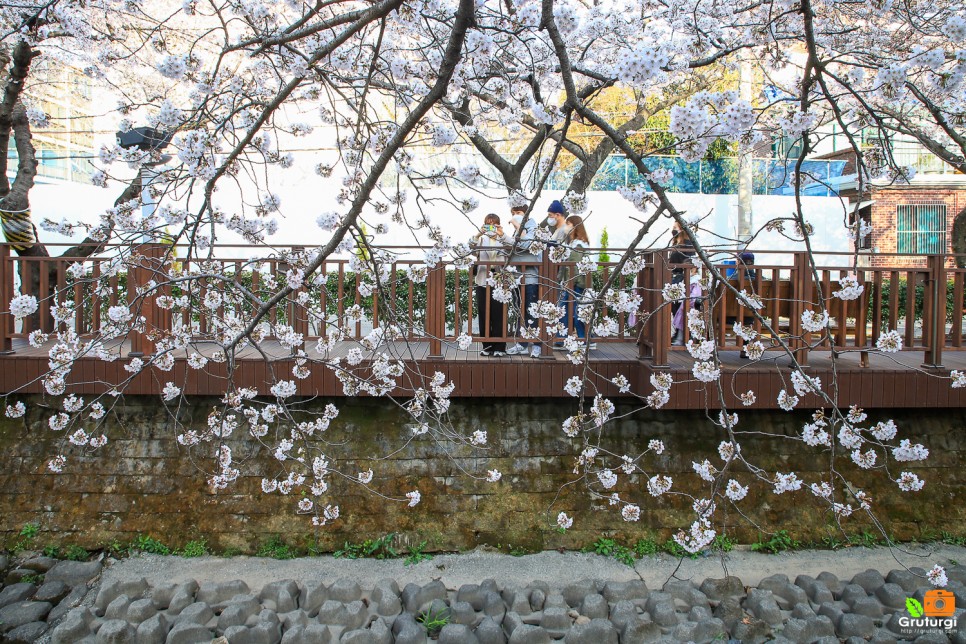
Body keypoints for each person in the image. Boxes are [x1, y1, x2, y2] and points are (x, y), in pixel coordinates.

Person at [470, 214, 512, 356]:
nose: (491, 227)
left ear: (499, 225)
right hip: (483, 279)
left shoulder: (503, 239)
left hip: (499, 278)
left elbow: (513, 246)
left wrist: (502, 234)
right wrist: (478, 233)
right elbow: (470, 248)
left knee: (499, 313)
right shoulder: (481, 239)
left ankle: (500, 347)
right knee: (484, 313)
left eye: (494, 224)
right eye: (488, 224)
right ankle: (486, 346)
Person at [506, 208, 542, 357]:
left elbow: (526, 245)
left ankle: (537, 344)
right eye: (513, 213)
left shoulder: (533, 228)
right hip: (518, 278)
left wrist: (516, 224)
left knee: (531, 311)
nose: (515, 216)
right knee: (520, 312)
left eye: (518, 213)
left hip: (530, 278)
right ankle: (522, 343)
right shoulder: (520, 229)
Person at [555, 215, 595, 349]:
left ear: (574, 226)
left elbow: (576, 266)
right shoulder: (574, 243)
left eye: (568, 224)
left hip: (576, 284)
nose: (566, 227)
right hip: (572, 282)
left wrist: (569, 282)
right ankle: (564, 338)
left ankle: (584, 339)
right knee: (568, 310)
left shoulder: (578, 244)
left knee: (575, 311)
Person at [668, 223, 696, 346]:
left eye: (675, 227)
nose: (673, 230)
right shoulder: (675, 244)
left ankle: (683, 334)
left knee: (679, 305)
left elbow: (690, 263)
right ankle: (678, 333)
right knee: (674, 306)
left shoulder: (687, 245)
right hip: (674, 278)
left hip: (683, 279)